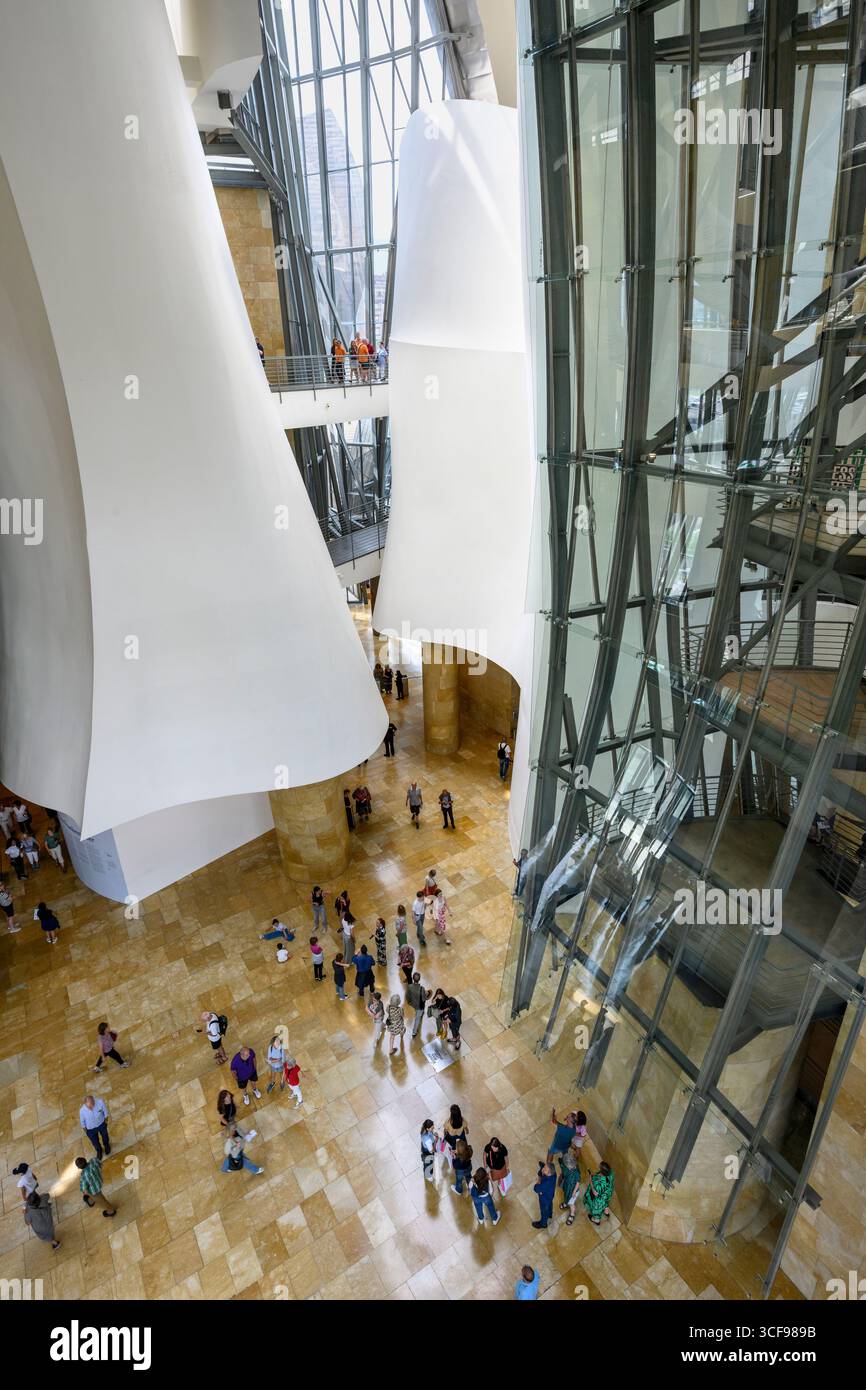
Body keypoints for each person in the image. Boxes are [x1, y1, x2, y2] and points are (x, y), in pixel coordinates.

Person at [80, 1095, 111, 1159]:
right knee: (95, 1142)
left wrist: (105, 1123)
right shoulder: (82, 1111)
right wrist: (87, 1132)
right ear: (85, 1104)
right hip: (91, 1130)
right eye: (89, 1107)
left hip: (101, 1124)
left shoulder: (100, 1102)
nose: (91, 1108)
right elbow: (82, 1122)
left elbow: (105, 1112)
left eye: (92, 1105)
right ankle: (99, 1151)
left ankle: (106, 1146)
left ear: (94, 1100)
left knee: (105, 1137)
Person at [583, 1160, 614, 1225]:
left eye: (600, 1167)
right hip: (607, 1194)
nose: (598, 1168)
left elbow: (595, 1193)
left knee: (596, 1210)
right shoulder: (611, 1173)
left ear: (602, 1171)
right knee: (606, 1204)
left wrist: (590, 1180)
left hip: (599, 1200)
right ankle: (606, 1212)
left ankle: (596, 1220)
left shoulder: (599, 1185)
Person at [532, 1160, 557, 1229]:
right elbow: (543, 1172)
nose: (542, 1169)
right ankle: (550, 1214)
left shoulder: (546, 1183)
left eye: (545, 1169)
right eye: (544, 1167)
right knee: (550, 1204)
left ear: (549, 1173)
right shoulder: (554, 1174)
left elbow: (536, 1188)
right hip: (550, 1195)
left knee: (544, 1211)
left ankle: (543, 1224)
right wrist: (543, 1172)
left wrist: (539, 1180)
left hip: (544, 1199)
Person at [560, 1146, 581, 1223]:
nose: (567, 1168)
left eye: (568, 1166)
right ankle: (566, 1203)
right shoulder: (567, 1168)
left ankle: (572, 1214)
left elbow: (578, 1183)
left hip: (573, 1190)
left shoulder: (576, 1173)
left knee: (571, 1203)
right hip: (567, 1187)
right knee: (566, 1196)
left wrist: (574, 1192)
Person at [405, 973, 428, 1038]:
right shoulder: (422, 988)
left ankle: (420, 1013)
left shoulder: (409, 986)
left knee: (417, 1011)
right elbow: (424, 999)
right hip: (420, 1006)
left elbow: (407, 996)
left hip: (413, 1004)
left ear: (413, 978)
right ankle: (414, 1032)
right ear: (419, 979)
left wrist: (409, 1002)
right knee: (417, 1018)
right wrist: (426, 994)